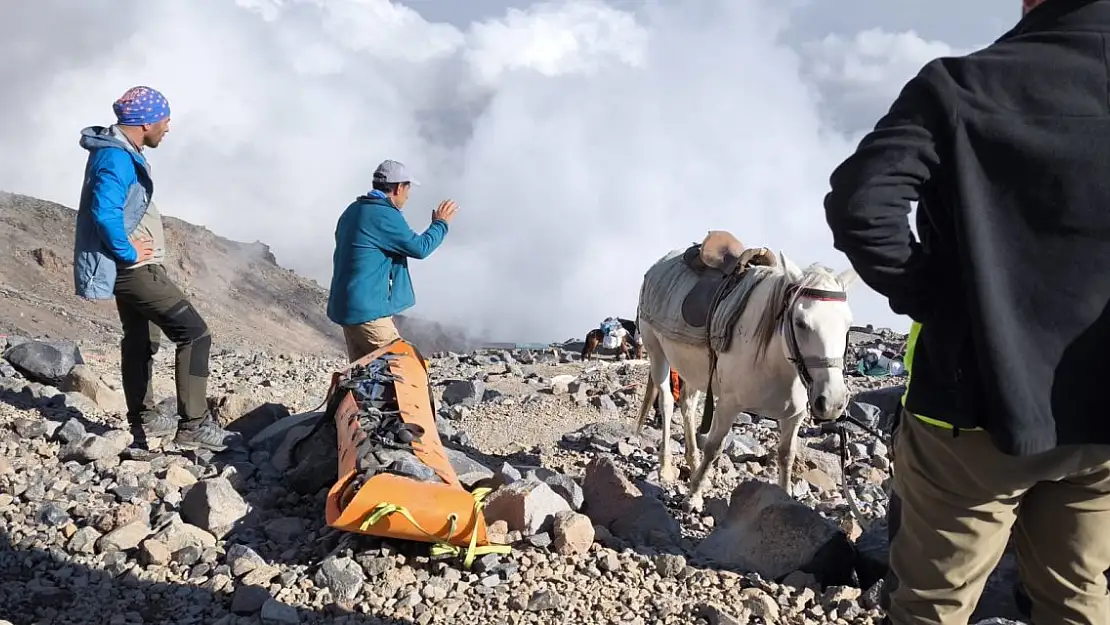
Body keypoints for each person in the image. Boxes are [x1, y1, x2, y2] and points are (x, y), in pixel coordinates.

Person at [824, 1, 1110, 623]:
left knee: (933, 605)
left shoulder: (959, 85)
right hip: (1101, 423)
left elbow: (862, 206)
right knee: (1077, 599)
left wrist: (946, 303)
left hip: (972, 409)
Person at [73, 86, 237, 452]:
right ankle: (193, 424)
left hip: (130, 266)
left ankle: (143, 416)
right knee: (195, 333)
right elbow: (104, 212)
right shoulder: (116, 159)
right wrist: (129, 251)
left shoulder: (120, 152)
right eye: (165, 119)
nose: (168, 126)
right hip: (135, 270)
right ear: (146, 123)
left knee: (141, 340)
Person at [327, 159, 458, 362]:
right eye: (408, 188)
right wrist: (441, 224)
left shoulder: (353, 210)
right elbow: (420, 248)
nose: (408, 194)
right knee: (404, 366)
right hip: (368, 312)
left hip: (345, 307)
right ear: (398, 187)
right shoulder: (383, 214)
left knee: (365, 376)